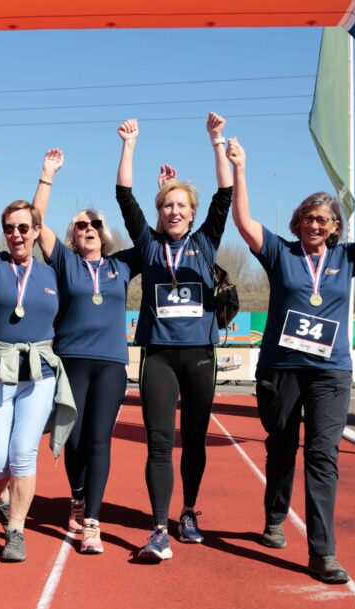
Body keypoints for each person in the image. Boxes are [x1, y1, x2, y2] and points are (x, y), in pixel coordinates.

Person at [227, 137, 355, 583]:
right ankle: (275, 517)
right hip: (282, 369)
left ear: (335, 225)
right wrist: (240, 169)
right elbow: (243, 222)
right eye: (308, 218)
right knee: (281, 447)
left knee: (322, 455)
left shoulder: (348, 257)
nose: (314, 224)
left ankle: (323, 552)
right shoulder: (281, 253)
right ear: (298, 222)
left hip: (330, 372)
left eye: (323, 219)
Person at [116, 114, 233, 562]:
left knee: (195, 439)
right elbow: (124, 197)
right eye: (167, 205)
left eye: (182, 205)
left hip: (200, 355)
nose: (175, 211)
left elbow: (225, 195)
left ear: (192, 211)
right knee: (160, 440)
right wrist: (130, 145)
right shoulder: (149, 246)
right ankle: (160, 528)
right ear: (160, 211)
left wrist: (216, 140)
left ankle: (188, 512)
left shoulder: (205, 243)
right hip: (159, 357)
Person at [0, 126, 75, 562]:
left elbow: (35, 212)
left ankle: (16, 530)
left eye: (24, 228)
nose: (17, 234)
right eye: (10, 228)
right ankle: (3, 501)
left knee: (23, 454)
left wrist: (47, 176)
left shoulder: (51, 269)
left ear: (37, 231)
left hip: (39, 374)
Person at [32, 147, 139, 554]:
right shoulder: (64, 262)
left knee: (99, 440)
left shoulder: (121, 265)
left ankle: (92, 520)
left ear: (104, 232)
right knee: (73, 440)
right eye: (81, 225)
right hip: (71, 361)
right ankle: (77, 494)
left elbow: (147, 235)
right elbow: (35, 221)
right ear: (73, 235)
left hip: (111, 363)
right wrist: (47, 175)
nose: (89, 228)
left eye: (95, 224)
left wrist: (157, 188)